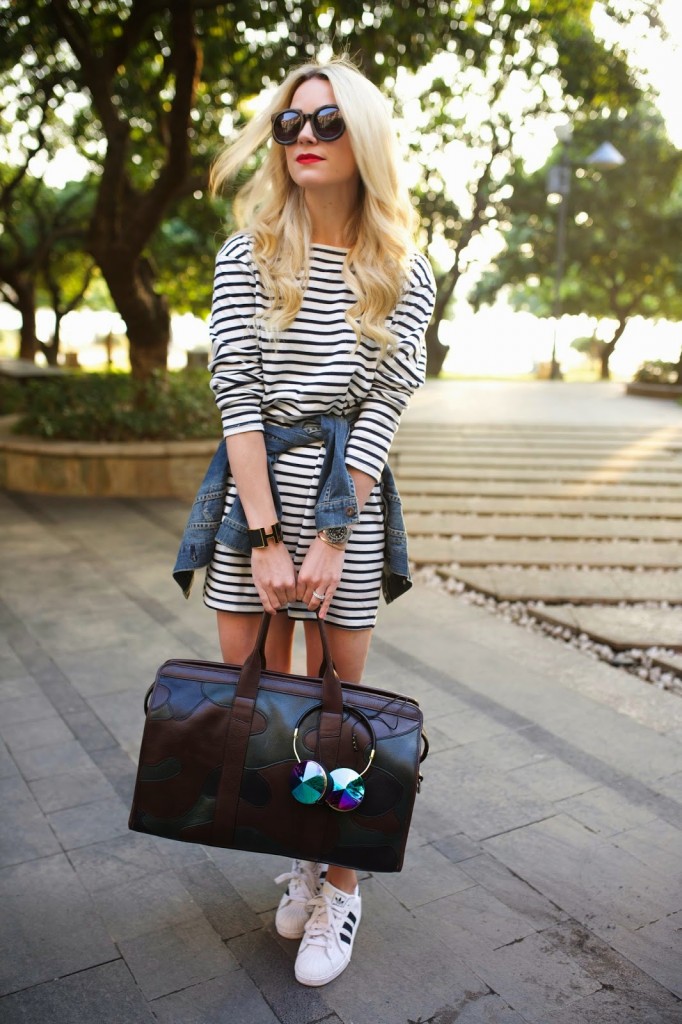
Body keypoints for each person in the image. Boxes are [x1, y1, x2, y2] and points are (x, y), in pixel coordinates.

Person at [173, 54, 435, 987]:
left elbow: (382, 411)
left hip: (346, 499)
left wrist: (325, 539)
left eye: (327, 123)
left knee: (336, 703)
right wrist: (265, 536)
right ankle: (298, 849)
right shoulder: (246, 254)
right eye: (291, 125)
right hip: (252, 495)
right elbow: (235, 394)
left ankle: (343, 881)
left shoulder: (404, 268)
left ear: (362, 138)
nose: (306, 139)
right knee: (259, 689)